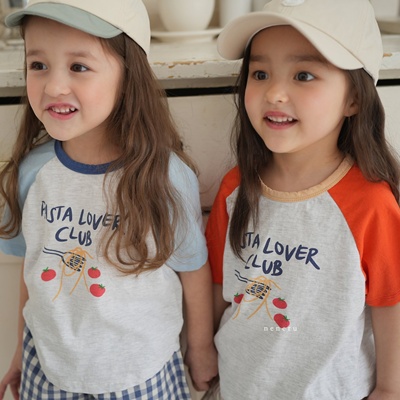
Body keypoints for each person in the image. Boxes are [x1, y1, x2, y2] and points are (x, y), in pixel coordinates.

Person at [0, 0, 218, 399]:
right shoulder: (32, 173)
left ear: (129, 75)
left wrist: (201, 349)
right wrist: (19, 350)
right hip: (48, 369)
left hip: (142, 372)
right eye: (38, 64)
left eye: (78, 66)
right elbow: (33, 273)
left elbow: (193, 269)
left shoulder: (164, 176)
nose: (53, 86)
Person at [205, 0, 400, 399]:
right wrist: (200, 348)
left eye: (304, 75)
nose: (274, 93)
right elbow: (218, 285)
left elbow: (390, 303)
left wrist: (390, 388)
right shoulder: (234, 188)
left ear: (354, 98)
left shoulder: (371, 204)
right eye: (260, 74)